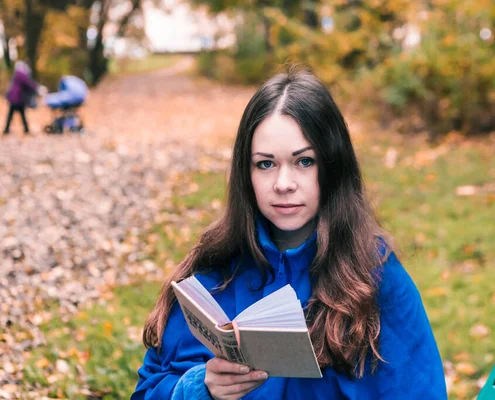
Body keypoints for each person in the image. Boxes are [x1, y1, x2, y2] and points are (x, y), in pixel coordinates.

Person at [132, 68, 447, 399]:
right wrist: (201, 387)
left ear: (332, 167)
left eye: (304, 162)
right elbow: (148, 389)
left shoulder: (376, 278)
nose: (283, 184)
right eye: (266, 164)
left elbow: (420, 391)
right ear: (246, 173)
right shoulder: (214, 269)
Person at [3, 61, 39, 135]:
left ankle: (7, 130)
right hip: (17, 98)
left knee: (13, 114)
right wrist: (37, 89)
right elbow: (29, 83)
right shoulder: (21, 74)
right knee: (20, 114)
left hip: (14, 97)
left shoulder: (17, 74)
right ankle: (25, 130)